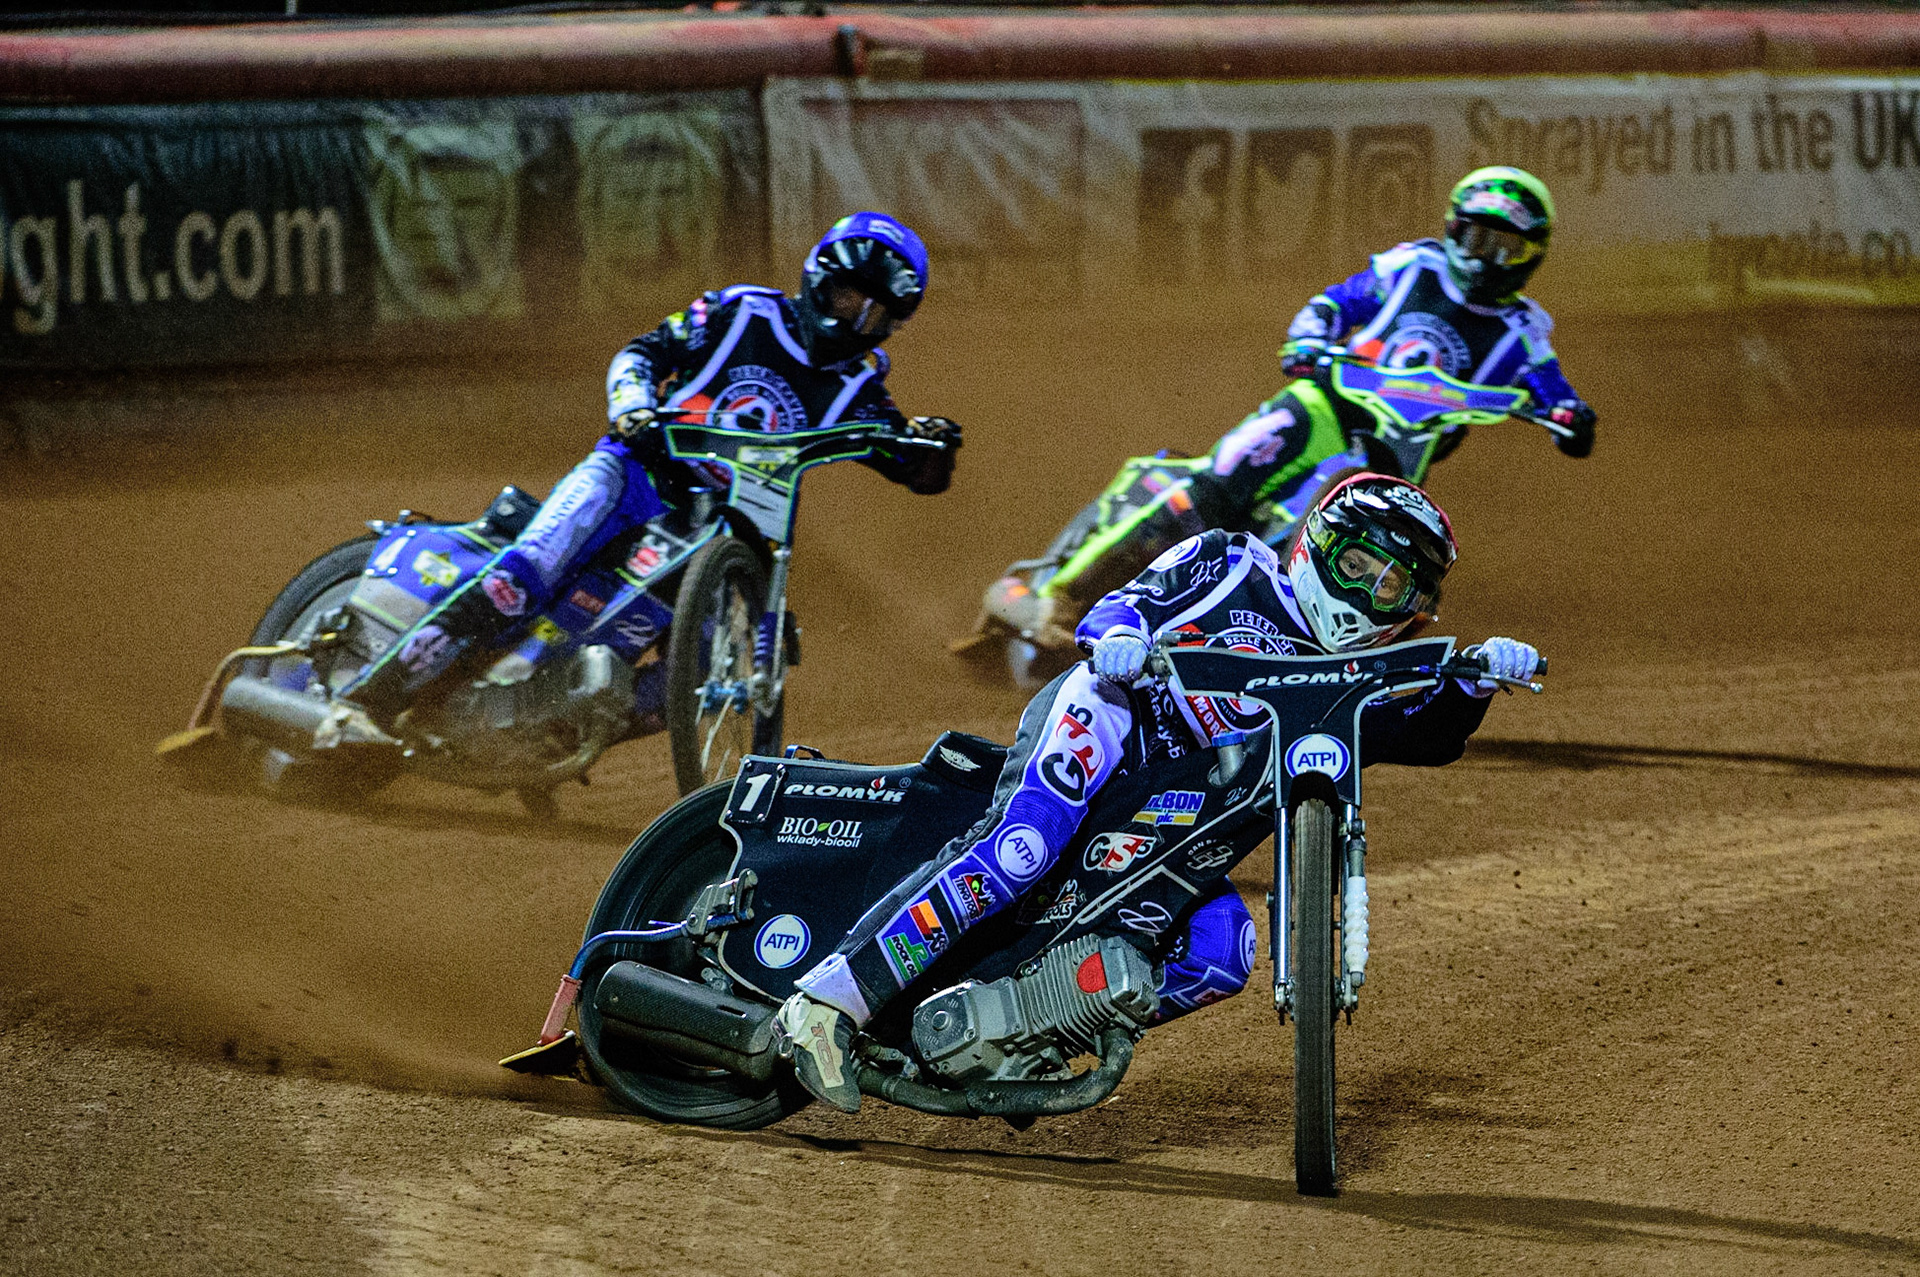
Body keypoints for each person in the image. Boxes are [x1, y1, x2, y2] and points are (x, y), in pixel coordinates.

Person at [778, 473, 1541, 1111]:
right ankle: (825, 1002)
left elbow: (1426, 734)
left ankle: (1027, 1032)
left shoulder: (1357, 683)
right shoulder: (1233, 562)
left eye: (1393, 582)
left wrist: (1474, 682)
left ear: (1415, 605)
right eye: (1357, 565)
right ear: (1317, 545)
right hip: (1110, 722)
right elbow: (1128, 602)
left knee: (1221, 953)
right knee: (1020, 848)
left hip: (1176, 831)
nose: (1369, 592)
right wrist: (1119, 639)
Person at [317, 212, 961, 745]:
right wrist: (632, 406)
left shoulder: (860, 386)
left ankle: (540, 732)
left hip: (721, 536)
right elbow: (643, 353)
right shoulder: (742, 313)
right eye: (852, 299)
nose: (856, 322)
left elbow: (909, 467)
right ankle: (366, 700)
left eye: (875, 317)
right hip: (636, 474)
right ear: (823, 279)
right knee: (530, 570)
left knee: (698, 675)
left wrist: (929, 452)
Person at [974, 166, 1592, 659]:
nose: (1480, 255)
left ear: (1529, 254)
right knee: (1211, 487)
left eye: (1500, 244)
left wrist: (1568, 415)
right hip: (1322, 404)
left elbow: (1556, 393)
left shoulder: (1522, 331)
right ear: (1452, 228)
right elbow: (1330, 306)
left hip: (1396, 457)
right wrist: (1309, 341)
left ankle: (1264, 655)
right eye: (1471, 236)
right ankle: (1060, 595)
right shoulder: (1412, 267)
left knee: (1334, 557)